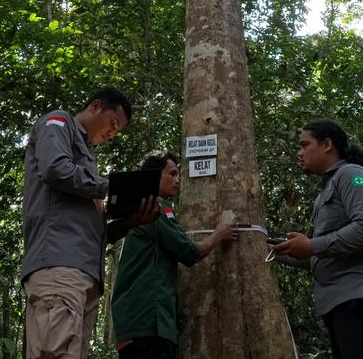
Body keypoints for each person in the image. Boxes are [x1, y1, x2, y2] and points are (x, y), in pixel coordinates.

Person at [21, 88, 158, 359]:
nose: (111, 134)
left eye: (116, 132)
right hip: (60, 267)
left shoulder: (88, 163)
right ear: (96, 106)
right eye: (113, 124)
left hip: (84, 276)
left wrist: (130, 221)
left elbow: (93, 231)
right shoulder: (59, 122)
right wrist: (111, 187)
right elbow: (55, 169)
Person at [271, 119, 363, 359]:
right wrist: (277, 250)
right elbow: (326, 254)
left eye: (304, 145)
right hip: (343, 303)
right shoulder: (326, 189)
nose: (299, 153)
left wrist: (312, 245)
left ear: (327, 145)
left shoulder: (353, 176)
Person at [111, 151, 237, 359]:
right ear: (153, 176)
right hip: (149, 325)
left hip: (133, 326)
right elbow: (189, 252)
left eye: (179, 175)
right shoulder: (155, 209)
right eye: (172, 174)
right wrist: (218, 234)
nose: (178, 180)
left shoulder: (138, 210)